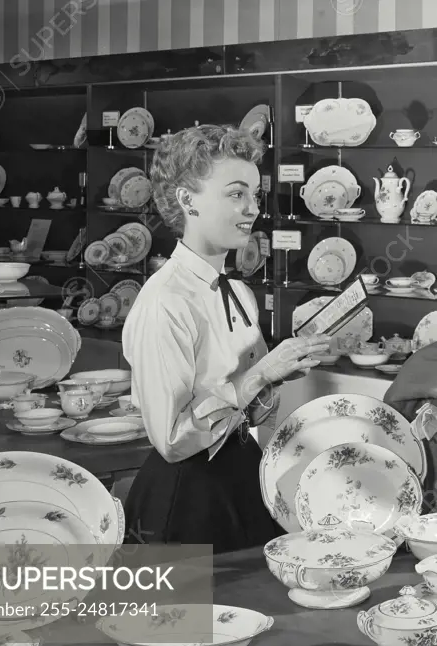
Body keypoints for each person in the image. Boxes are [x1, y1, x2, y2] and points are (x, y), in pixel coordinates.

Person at [121, 124, 331, 552]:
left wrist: (275, 376)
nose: (252, 208)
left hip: (241, 478)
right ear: (186, 199)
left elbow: (247, 417)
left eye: (255, 195)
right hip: (186, 499)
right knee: (190, 620)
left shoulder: (238, 292)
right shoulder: (164, 301)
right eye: (236, 194)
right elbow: (172, 441)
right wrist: (259, 374)